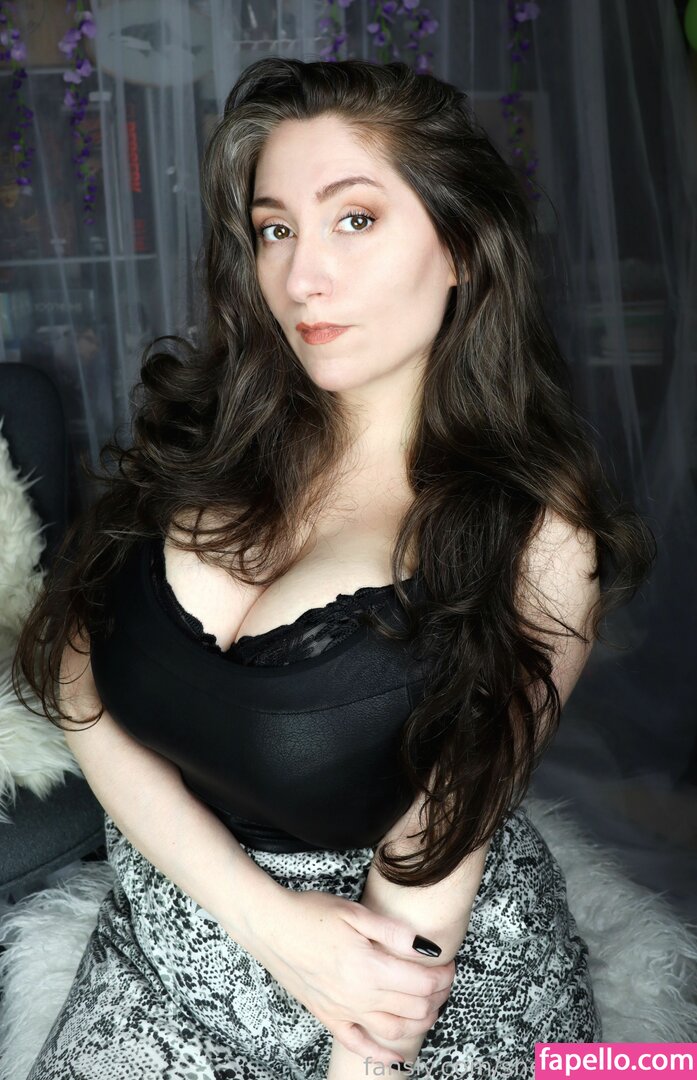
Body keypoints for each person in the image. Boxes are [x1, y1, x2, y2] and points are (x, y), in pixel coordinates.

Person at [14, 58, 656, 1080]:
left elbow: (429, 869)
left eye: (354, 219)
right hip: (165, 950)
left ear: (460, 245)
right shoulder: (209, 441)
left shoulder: (533, 538)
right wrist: (264, 920)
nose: (302, 277)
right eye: (275, 229)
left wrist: (357, 1040)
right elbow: (78, 679)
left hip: (401, 988)